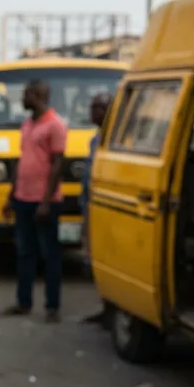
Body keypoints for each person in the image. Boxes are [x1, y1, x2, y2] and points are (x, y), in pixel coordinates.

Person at [1, 80, 67, 322]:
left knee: (50, 255)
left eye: (26, 94)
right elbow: (23, 161)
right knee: (24, 252)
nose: (22, 99)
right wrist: (11, 195)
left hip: (44, 202)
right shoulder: (28, 124)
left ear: (37, 95)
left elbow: (58, 164)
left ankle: (52, 306)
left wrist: (47, 202)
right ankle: (24, 302)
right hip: (23, 199)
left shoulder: (56, 125)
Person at [81, 90, 112, 323]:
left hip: (106, 208)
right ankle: (105, 307)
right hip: (90, 204)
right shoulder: (95, 139)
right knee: (94, 257)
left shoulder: (115, 140)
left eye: (97, 108)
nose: (92, 112)